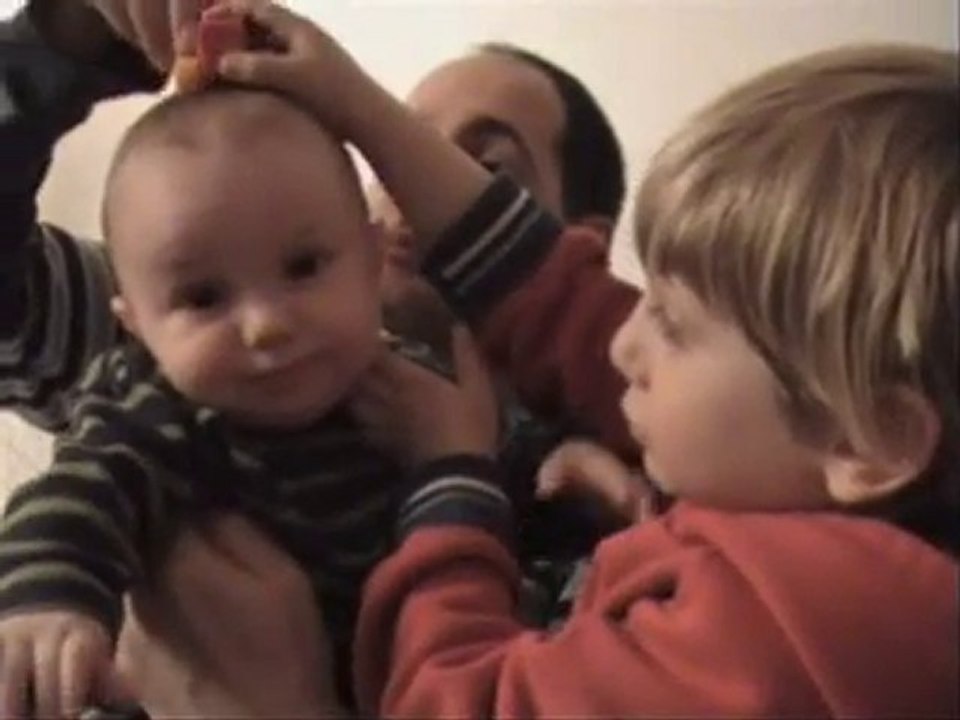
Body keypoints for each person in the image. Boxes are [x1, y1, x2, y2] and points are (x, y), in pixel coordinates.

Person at [110, 5, 958, 716]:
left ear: (867, 438)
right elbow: (561, 305)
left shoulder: (788, 625)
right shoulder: (800, 502)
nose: (624, 346)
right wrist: (351, 100)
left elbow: (453, 703)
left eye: (672, 322)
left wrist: (452, 474)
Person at [0, 0, 638, 458]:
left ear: (588, 242)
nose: (403, 189)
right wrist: (64, 37)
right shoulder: (192, 329)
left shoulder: (624, 469)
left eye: (482, 168)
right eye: (386, 151)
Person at [0, 82, 445, 718]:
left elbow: (503, 489)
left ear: (370, 260)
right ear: (136, 326)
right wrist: (50, 599)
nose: (265, 325)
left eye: (303, 266)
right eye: (204, 297)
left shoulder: (420, 389)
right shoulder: (154, 410)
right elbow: (80, 494)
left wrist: (549, 461)